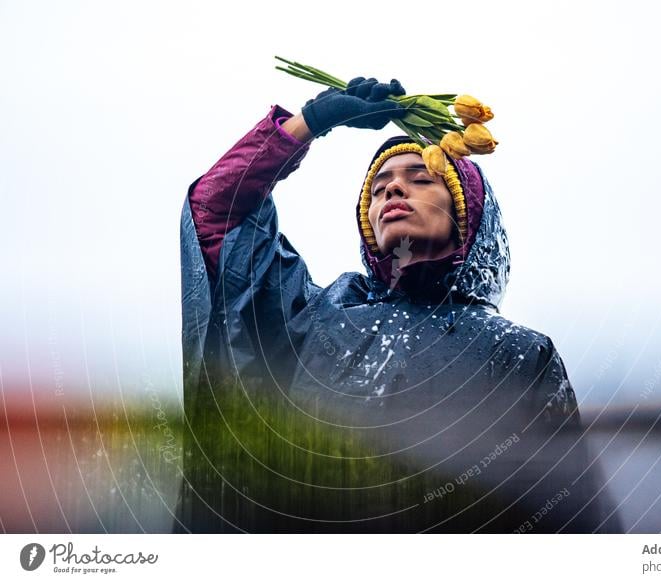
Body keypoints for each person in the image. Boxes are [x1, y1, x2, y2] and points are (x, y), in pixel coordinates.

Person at [174, 77, 620, 533]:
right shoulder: (311, 319)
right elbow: (216, 215)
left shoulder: (520, 353)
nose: (391, 191)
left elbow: (571, 517)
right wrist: (309, 123)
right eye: (378, 187)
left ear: (467, 211)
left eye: (420, 178)